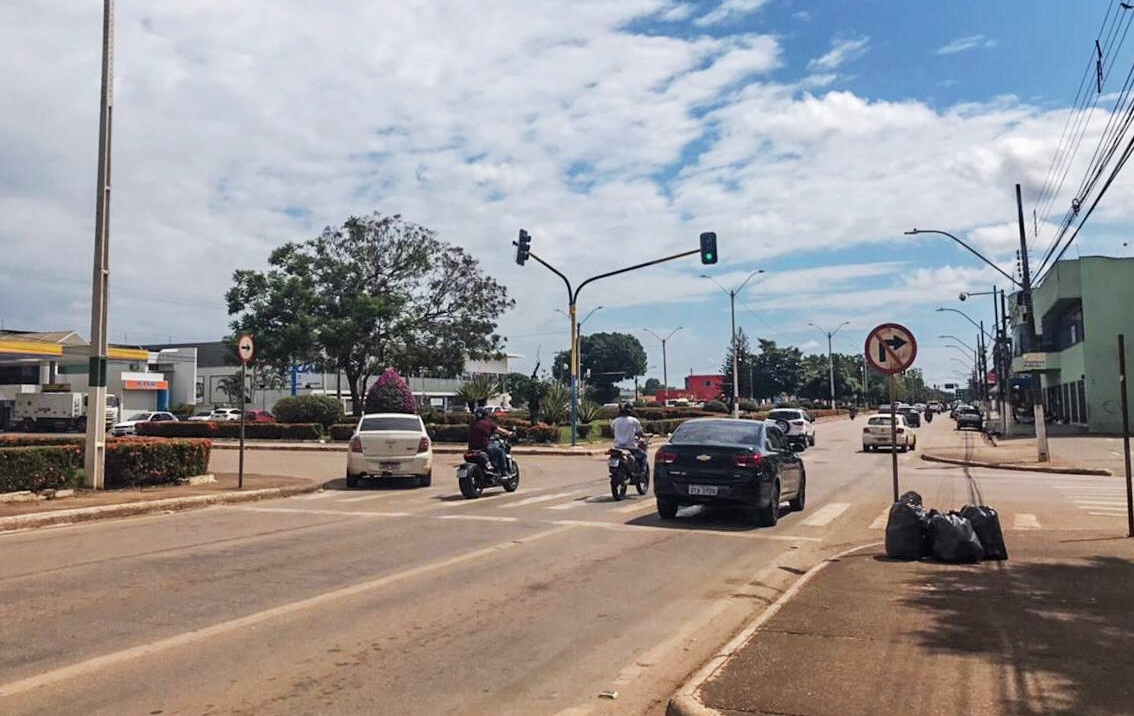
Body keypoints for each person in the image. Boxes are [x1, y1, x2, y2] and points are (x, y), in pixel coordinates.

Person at [468, 406, 513, 474]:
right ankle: (504, 471)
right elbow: (501, 431)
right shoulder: (488, 423)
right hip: (484, 447)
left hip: (472, 448)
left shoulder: (472, 424)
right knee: (500, 451)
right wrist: (509, 433)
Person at [611, 402, 646, 472]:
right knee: (643, 456)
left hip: (617, 447)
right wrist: (643, 437)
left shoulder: (615, 421)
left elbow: (612, 432)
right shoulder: (634, 421)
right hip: (630, 447)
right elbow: (640, 434)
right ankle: (642, 473)